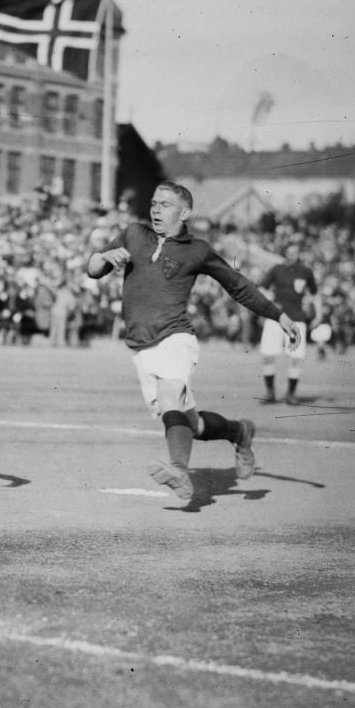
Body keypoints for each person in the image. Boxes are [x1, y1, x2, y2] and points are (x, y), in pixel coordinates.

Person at [86, 181, 301, 502]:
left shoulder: (197, 250)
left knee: (170, 395)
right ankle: (239, 432)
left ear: (185, 212)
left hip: (176, 338)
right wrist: (104, 257)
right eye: (154, 203)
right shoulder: (134, 234)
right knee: (192, 424)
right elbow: (92, 269)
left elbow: (238, 285)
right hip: (140, 347)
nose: (156, 209)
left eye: (165, 204)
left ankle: (178, 470)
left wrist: (278, 315)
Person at [258, 242, 317, 403]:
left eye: (296, 252)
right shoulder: (276, 269)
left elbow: (314, 293)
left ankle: (291, 394)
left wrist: (313, 310)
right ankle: (270, 392)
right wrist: (270, 301)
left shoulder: (306, 272)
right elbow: (262, 288)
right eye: (289, 251)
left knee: (296, 357)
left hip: (297, 319)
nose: (292, 254)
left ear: (300, 254)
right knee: (268, 355)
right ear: (285, 253)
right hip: (275, 318)